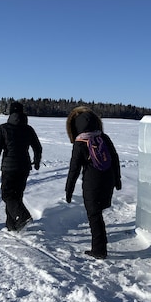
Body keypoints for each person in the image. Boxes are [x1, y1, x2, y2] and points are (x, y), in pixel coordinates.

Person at [65, 106, 121, 259]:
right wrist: (117, 180)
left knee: (94, 216)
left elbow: (74, 169)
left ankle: (99, 249)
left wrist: (68, 190)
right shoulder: (104, 137)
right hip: (107, 179)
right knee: (98, 213)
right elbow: (115, 159)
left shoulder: (80, 142)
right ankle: (100, 246)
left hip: (92, 183)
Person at [0, 102, 42, 231]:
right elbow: (38, 148)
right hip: (24, 167)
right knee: (16, 196)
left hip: (9, 168)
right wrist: (37, 161)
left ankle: (24, 216)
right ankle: (12, 225)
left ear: (10, 112)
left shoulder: (3, 128)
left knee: (7, 196)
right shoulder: (28, 129)